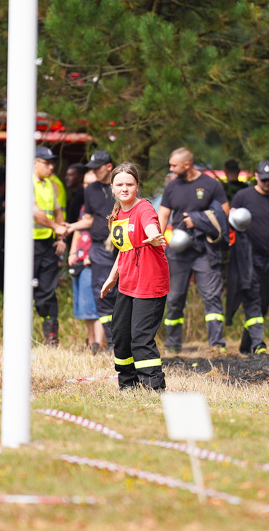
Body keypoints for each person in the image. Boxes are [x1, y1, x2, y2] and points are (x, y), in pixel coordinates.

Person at [101, 163, 169, 390]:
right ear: (112, 187)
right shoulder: (118, 212)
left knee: (140, 338)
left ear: (137, 186)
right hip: (127, 282)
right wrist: (112, 277)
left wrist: (154, 236)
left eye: (129, 184)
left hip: (149, 284)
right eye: (119, 184)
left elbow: (151, 226)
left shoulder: (144, 209)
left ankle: (152, 387)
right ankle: (128, 385)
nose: (124, 188)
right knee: (120, 335)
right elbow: (124, 249)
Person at [158, 147, 230, 353]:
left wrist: (199, 220)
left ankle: (216, 345)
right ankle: (172, 345)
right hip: (178, 251)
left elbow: (223, 213)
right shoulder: (172, 187)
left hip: (205, 251)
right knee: (174, 298)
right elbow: (163, 215)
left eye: (174, 165)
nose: (171, 169)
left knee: (212, 297)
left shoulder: (211, 185)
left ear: (187, 164)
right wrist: (159, 240)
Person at [226, 161, 269, 355]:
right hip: (246, 257)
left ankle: (246, 345)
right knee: (252, 297)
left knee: (263, 303)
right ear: (256, 177)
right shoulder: (243, 196)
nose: (267, 183)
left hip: (268, 258)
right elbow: (231, 220)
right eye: (264, 180)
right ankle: (258, 343)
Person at [66, 149, 116, 346]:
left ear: (109, 167)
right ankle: (111, 343)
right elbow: (88, 220)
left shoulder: (121, 186)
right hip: (99, 249)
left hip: (122, 247)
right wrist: (71, 227)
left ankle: (125, 339)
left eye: (97, 168)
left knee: (123, 293)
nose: (94, 171)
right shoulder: (91, 190)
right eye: (92, 168)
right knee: (101, 294)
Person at [33, 146, 68, 346]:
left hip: (47, 243)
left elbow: (57, 211)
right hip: (28, 244)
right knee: (26, 289)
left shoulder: (49, 184)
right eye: (46, 162)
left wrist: (60, 237)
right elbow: (34, 213)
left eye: (52, 162)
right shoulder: (27, 182)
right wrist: (56, 227)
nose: (51, 166)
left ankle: (51, 337)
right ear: (35, 163)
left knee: (48, 289)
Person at [69, 170, 103, 352]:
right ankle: (91, 342)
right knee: (84, 305)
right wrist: (72, 252)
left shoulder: (104, 204)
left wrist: (93, 255)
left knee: (95, 305)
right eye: (85, 184)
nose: (87, 187)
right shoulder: (84, 206)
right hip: (80, 260)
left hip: (94, 259)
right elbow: (78, 229)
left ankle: (100, 342)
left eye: (91, 183)